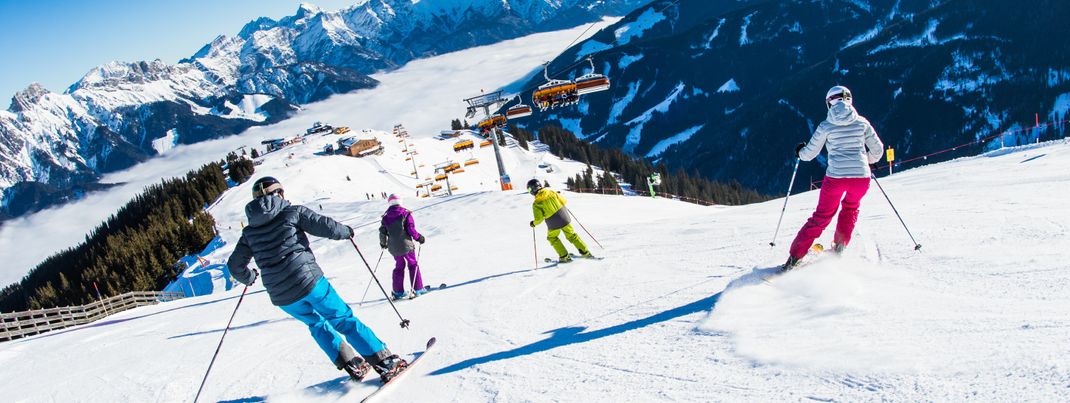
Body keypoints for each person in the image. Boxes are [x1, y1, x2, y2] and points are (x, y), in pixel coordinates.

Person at [227, 176, 407, 383]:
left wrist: (249, 277)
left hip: (281, 295)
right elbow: (325, 226)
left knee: (316, 324)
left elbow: (234, 266)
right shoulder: (292, 213)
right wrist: (346, 232)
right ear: (279, 193)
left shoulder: (249, 233)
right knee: (342, 319)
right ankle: (385, 363)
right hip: (308, 281)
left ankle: (353, 365)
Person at [784, 86, 884, 269]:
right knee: (850, 209)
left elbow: (809, 154)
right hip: (861, 178)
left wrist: (800, 151)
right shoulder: (862, 123)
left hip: (836, 178)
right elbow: (878, 150)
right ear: (849, 100)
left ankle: (795, 257)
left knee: (821, 216)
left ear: (829, 103)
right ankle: (839, 248)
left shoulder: (826, 126)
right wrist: (865, 161)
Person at [527, 179, 592, 263]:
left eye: (529, 189)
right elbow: (564, 201)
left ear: (533, 189)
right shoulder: (552, 192)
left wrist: (533, 223)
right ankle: (585, 252)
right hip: (564, 217)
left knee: (552, 238)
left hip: (553, 222)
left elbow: (539, 219)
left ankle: (564, 256)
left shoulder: (536, 203)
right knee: (572, 235)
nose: (529, 192)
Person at [378, 194, 426, 299]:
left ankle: (398, 292)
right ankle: (417, 288)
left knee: (399, 266)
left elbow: (382, 232)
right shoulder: (405, 214)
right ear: (400, 202)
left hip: (393, 248)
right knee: (413, 264)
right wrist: (419, 238)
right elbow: (410, 229)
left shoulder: (385, 217)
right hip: (406, 246)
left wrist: (383, 243)